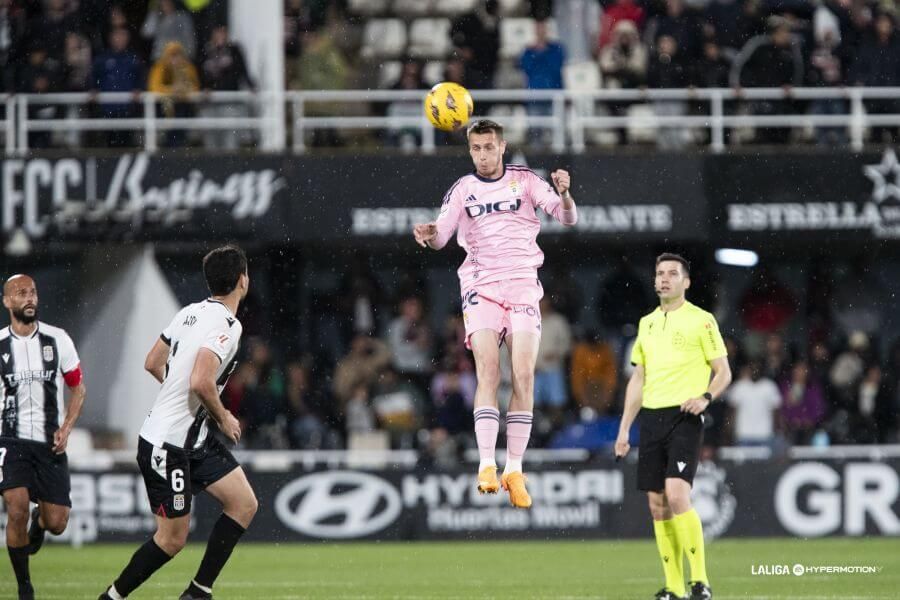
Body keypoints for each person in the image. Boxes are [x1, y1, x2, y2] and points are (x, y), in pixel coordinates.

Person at [413, 119, 578, 508]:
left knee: (523, 375)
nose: (483, 155)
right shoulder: (463, 189)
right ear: (470, 150)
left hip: (522, 285)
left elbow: (567, 218)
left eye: (489, 147)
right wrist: (427, 234)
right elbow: (441, 236)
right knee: (488, 370)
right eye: (476, 149)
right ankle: (487, 464)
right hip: (481, 287)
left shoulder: (526, 181)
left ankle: (514, 470)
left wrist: (566, 195)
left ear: (502, 147)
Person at [98, 246, 258, 600]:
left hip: (192, 439)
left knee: (244, 503)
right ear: (243, 280)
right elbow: (201, 381)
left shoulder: (189, 312)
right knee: (172, 540)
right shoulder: (229, 326)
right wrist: (224, 416)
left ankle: (198, 592)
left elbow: (153, 361)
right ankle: (111, 598)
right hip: (166, 443)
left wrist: (180, 395)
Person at [615, 253, 732, 600]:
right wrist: (624, 429)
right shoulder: (647, 323)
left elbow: (723, 371)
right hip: (651, 419)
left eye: (672, 274)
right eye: (659, 274)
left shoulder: (702, 320)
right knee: (657, 504)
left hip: (684, 416)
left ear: (686, 282)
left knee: (678, 493)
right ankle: (674, 587)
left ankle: (701, 581)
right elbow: (638, 378)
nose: (664, 279)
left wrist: (706, 398)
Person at [0, 275, 87, 600]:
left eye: (33, 291)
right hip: (9, 441)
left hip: (50, 443)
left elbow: (78, 387)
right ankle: (24, 587)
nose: (29, 298)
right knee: (17, 506)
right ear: (7, 302)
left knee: (57, 523)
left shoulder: (57, 339)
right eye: (21, 293)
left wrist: (66, 428)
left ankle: (41, 523)